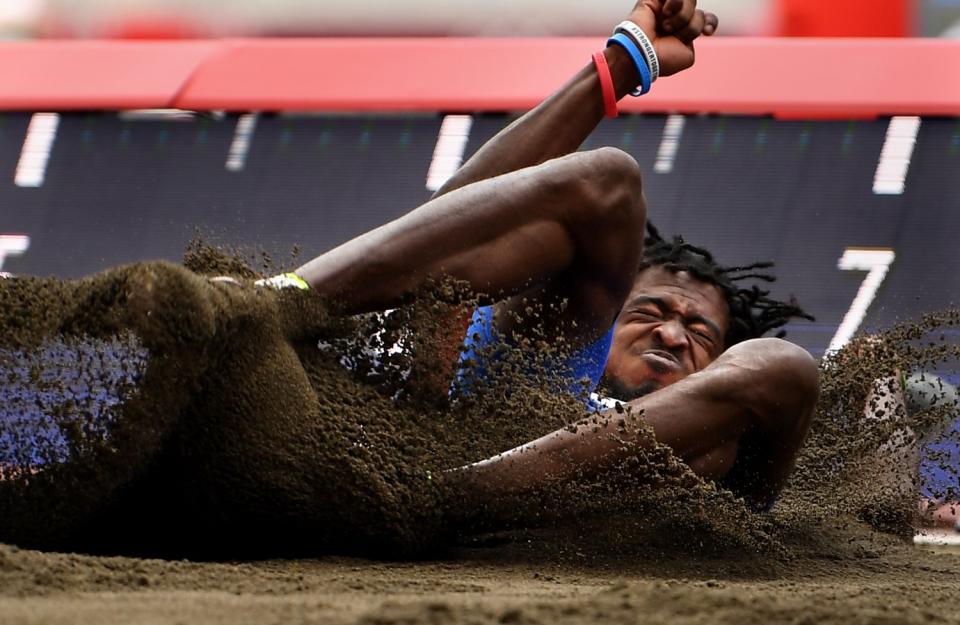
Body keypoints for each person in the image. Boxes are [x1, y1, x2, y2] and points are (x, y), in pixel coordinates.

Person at [264, 0, 819, 513]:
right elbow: (465, 217)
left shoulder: (716, 468)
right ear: (603, 318)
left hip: (437, 496)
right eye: (650, 312)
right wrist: (625, 63)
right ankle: (282, 301)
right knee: (610, 179)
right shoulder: (537, 368)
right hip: (397, 438)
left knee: (787, 367)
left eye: (699, 332)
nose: (672, 336)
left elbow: (772, 388)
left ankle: (451, 498)